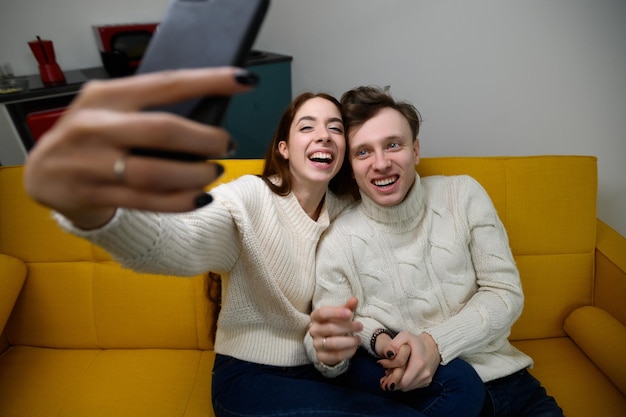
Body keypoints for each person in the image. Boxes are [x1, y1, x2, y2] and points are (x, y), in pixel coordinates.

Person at [24, 67, 440, 416]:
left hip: (325, 367)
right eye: (307, 127)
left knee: (438, 392)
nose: (324, 136)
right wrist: (103, 211)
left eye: (335, 129)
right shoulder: (248, 198)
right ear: (284, 148)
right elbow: (184, 239)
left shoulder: (349, 209)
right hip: (249, 375)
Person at [306, 85, 565, 417]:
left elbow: (504, 293)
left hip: (512, 386)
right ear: (349, 166)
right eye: (363, 152)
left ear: (415, 150)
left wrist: (433, 343)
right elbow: (329, 339)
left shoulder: (463, 195)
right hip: (425, 396)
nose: (381, 163)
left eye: (393, 145)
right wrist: (327, 353)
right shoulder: (337, 240)